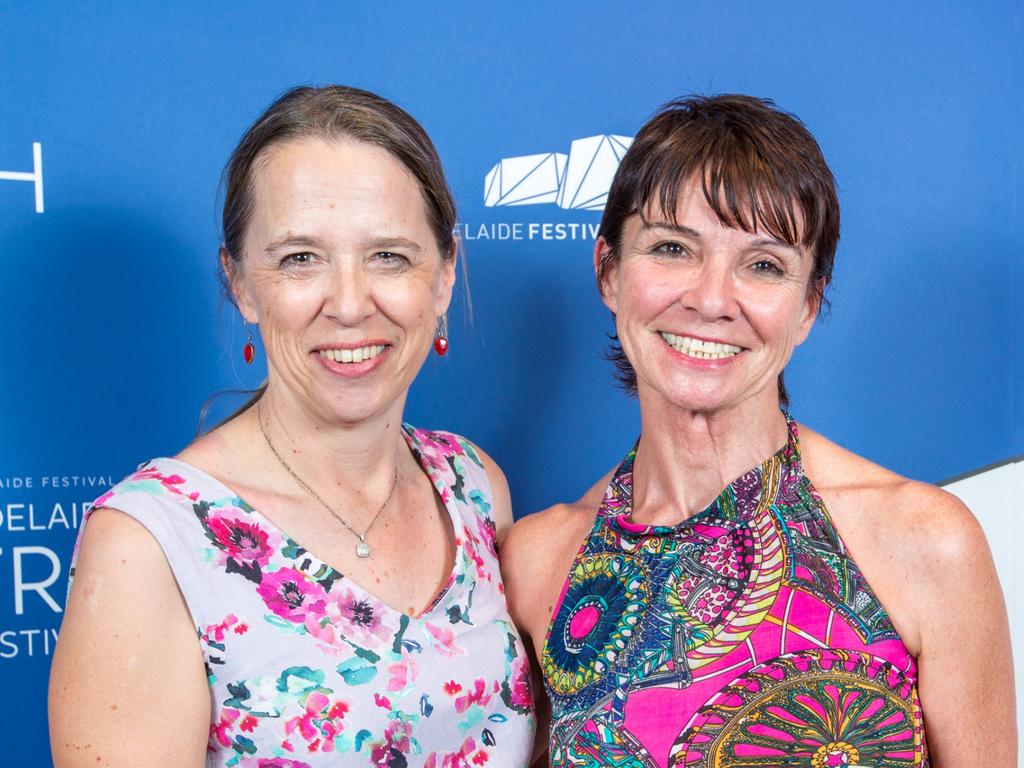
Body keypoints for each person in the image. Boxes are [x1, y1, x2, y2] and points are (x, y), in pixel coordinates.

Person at [501, 94, 1015, 768]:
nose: (712, 299)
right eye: (672, 249)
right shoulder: (541, 562)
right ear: (608, 271)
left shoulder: (925, 541)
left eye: (763, 265)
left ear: (807, 308)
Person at [49, 86, 534, 768]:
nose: (348, 303)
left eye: (389, 256)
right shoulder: (152, 544)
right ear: (242, 283)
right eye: (300, 258)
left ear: (446, 274)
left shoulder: (475, 485)